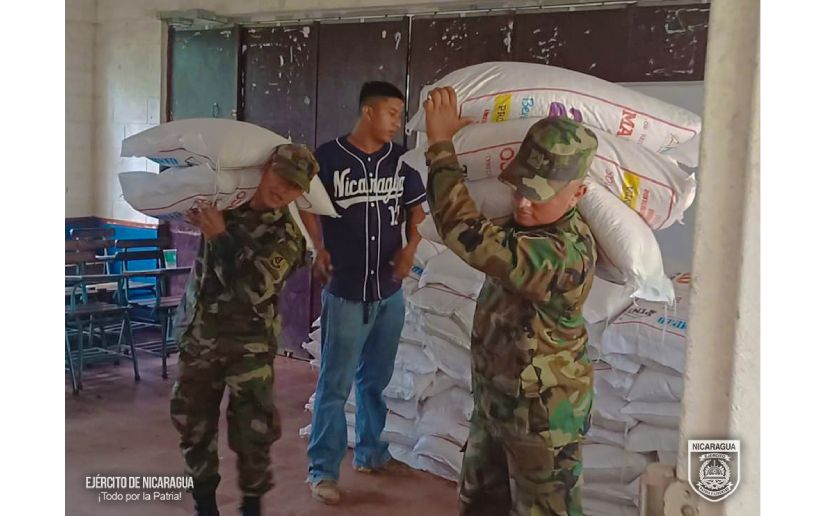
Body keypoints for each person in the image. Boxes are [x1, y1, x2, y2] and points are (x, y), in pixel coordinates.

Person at [422, 86, 598, 516]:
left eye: (538, 194)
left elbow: (465, 232)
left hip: (542, 422)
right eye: (519, 187)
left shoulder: (563, 256)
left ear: (577, 194)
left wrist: (441, 148)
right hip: (497, 406)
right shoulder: (524, 227)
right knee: (479, 507)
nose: (522, 202)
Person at [170, 144, 320, 516]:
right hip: (199, 337)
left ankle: (251, 507)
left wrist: (220, 237)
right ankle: (204, 504)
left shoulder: (287, 236)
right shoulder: (225, 205)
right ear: (267, 168)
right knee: (193, 426)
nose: (283, 190)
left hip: (248, 348)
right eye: (281, 177)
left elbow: (253, 288)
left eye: (294, 187)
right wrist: (198, 218)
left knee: (253, 434)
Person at [299, 81, 426, 505]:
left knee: (375, 380)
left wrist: (410, 248)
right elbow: (306, 204)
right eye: (392, 113)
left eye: (400, 115)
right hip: (346, 290)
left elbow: (416, 209)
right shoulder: (328, 158)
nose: (397, 123)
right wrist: (317, 247)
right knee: (335, 385)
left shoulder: (400, 161)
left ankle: (372, 453)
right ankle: (322, 472)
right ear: (368, 111)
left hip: (389, 291)